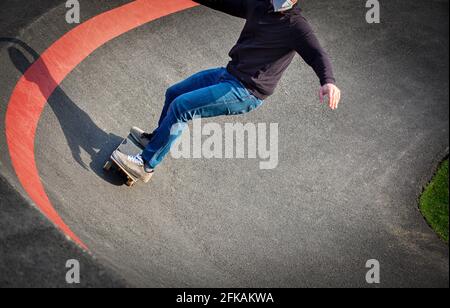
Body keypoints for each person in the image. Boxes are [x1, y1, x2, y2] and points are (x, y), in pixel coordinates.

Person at [112, 0, 342, 182]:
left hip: (246, 91)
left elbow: (317, 55)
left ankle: (145, 165)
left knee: (182, 107)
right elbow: (225, 2)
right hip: (228, 74)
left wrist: (328, 81)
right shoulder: (259, 4)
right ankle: (155, 141)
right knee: (174, 93)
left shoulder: (297, 27)